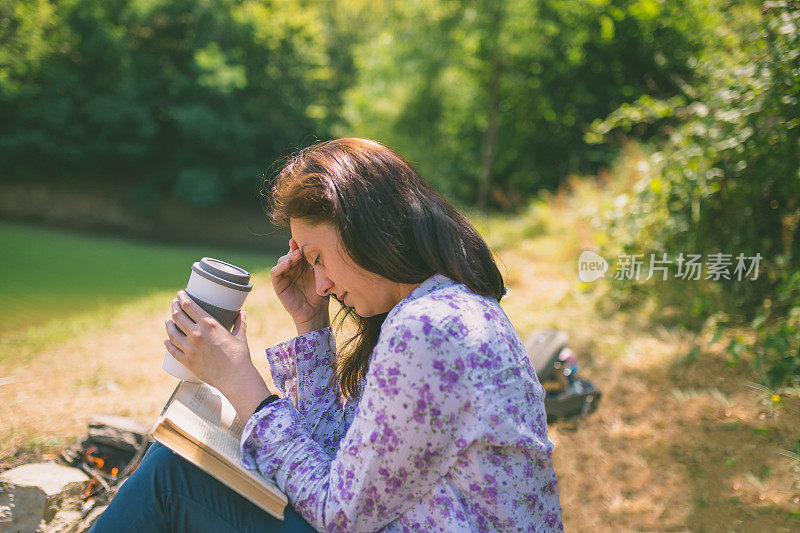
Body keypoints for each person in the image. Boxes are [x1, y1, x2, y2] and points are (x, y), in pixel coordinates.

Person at [91, 138, 563, 532]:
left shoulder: (426, 329)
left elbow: (337, 512)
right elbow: (340, 462)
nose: (321, 284)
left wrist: (241, 383)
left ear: (366, 230)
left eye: (317, 258)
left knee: (172, 477)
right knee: (175, 466)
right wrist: (310, 324)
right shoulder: (443, 308)